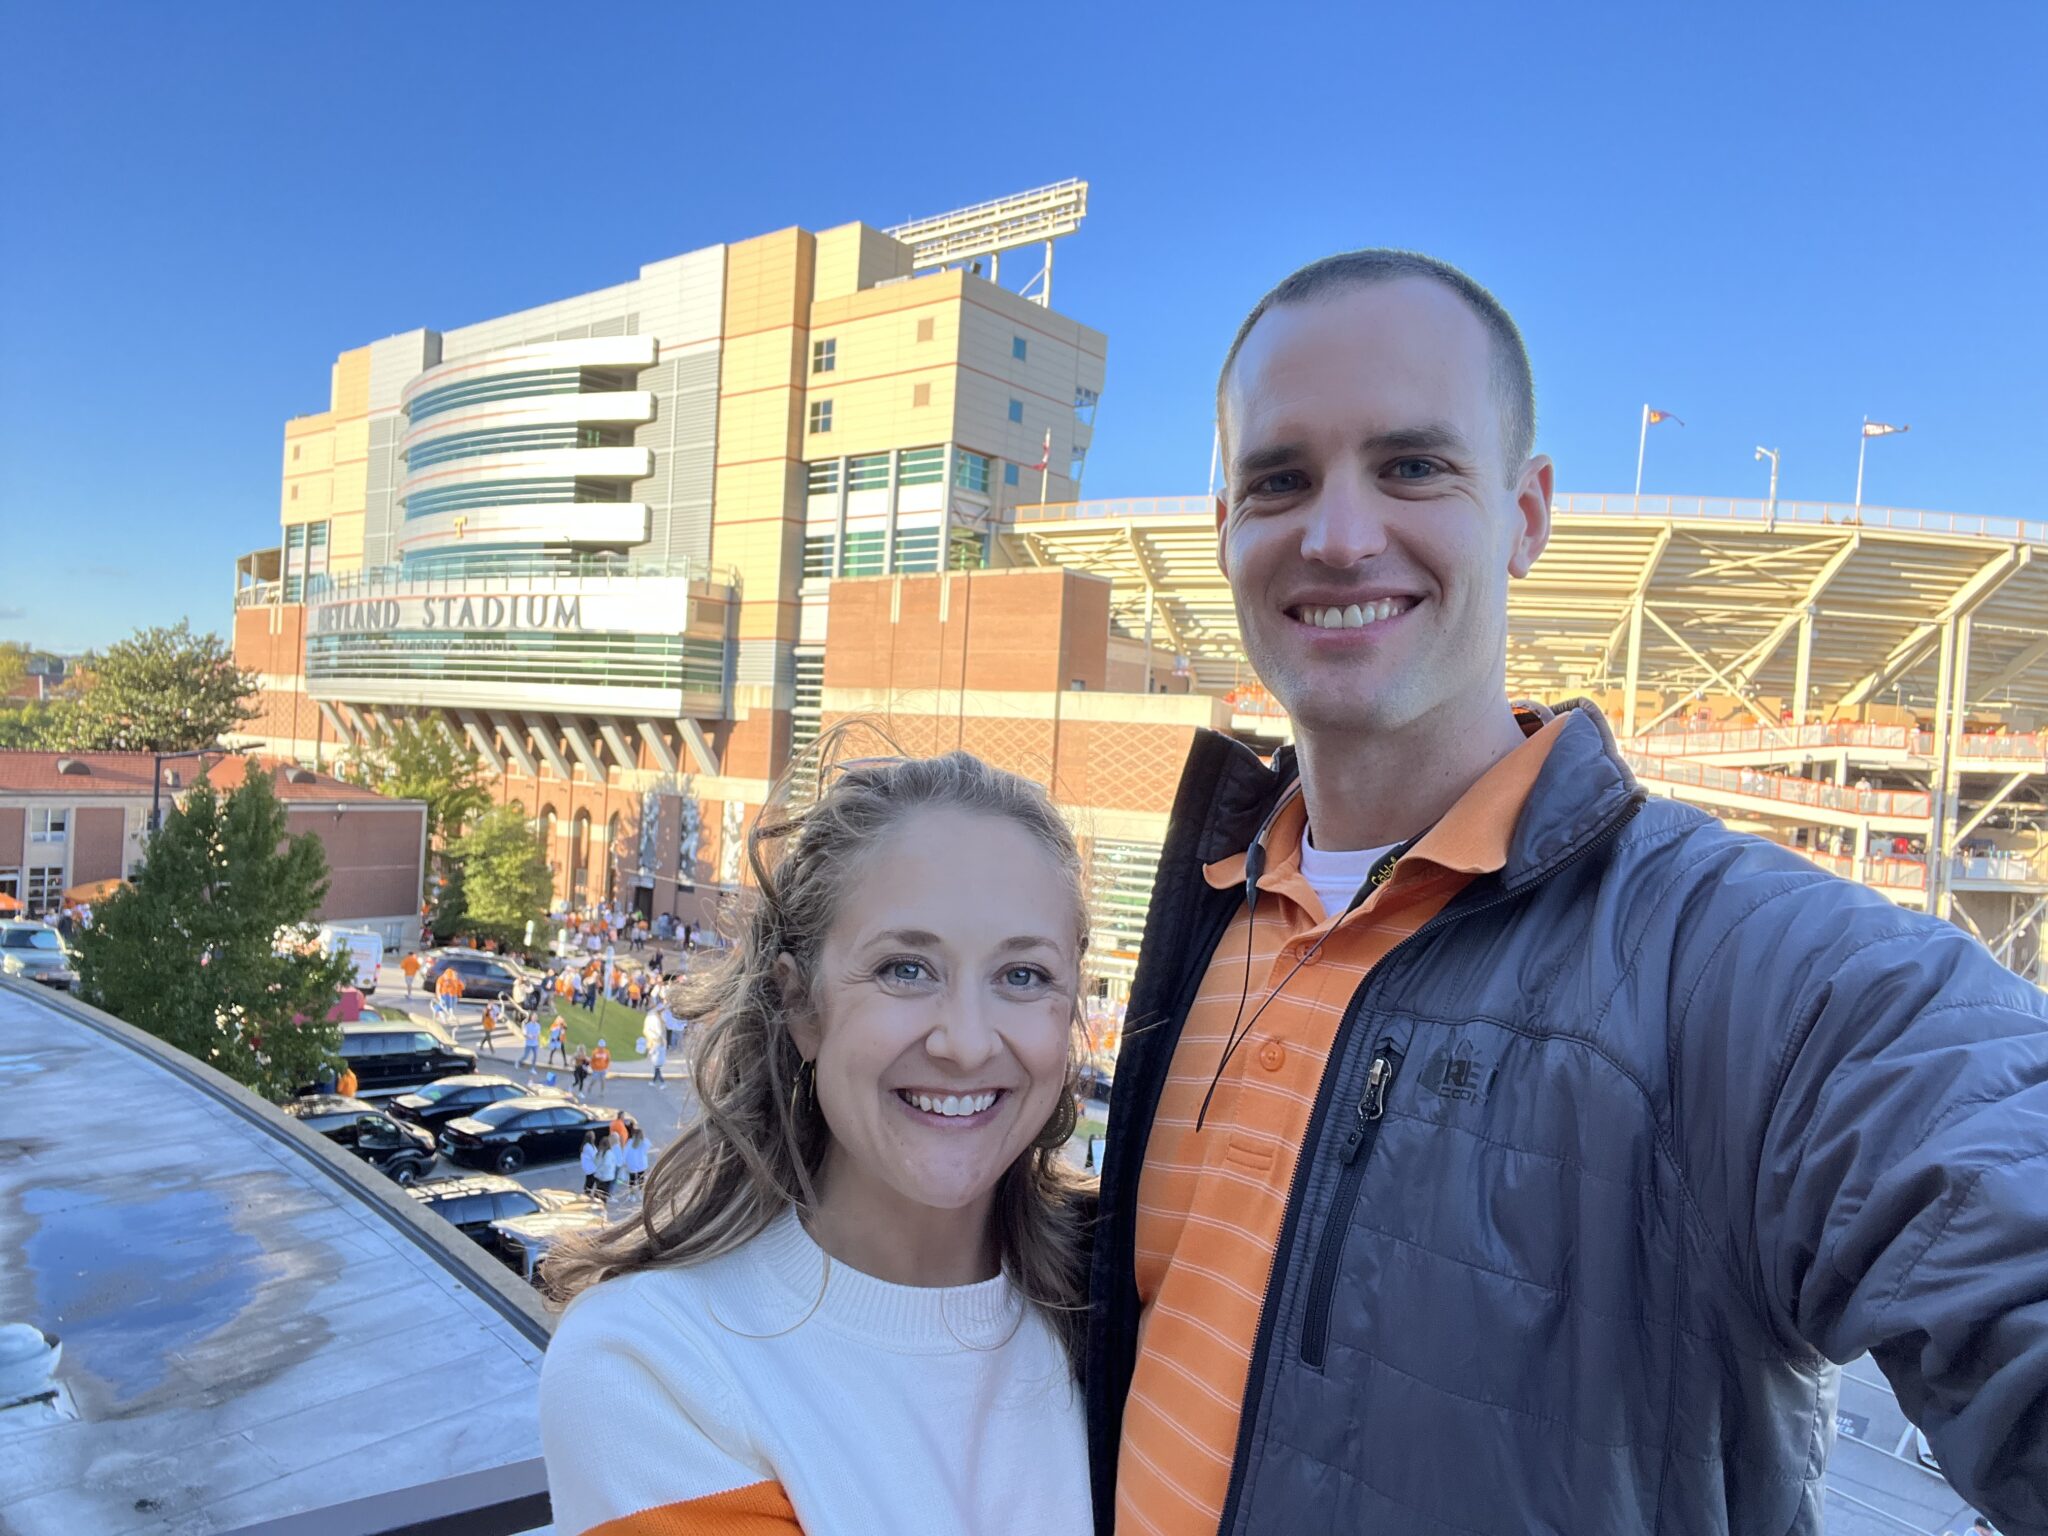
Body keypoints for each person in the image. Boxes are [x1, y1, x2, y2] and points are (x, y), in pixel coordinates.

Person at [1086, 250, 2048, 1535]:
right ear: (1224, 528)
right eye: (1279, 478)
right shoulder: (1208, 899)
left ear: (1528, 513)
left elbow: (1978, 1169)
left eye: (1413, 465)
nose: (1335, 533)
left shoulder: (1723, 960)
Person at [541, 750, 1093, 1535]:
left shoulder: (1129, 1318)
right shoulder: (652, 1364)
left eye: (1024, 976)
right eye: (906, 969)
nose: (967, 1043)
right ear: (801, 1005)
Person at [623, 1126, 649, 1191]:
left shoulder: (629, 1142)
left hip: (631, 1164)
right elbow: (646, 1150)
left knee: (632, 1179)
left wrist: (624, 1161)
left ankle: (632, 1194)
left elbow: (625, 1152)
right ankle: (641, 1191)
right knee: (641, 1179)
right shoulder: (645, 1142)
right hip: (641, 1164)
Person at [579, 1131, 600, 1198]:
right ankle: (591, 1196)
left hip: (591, 1168)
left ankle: (588, 1195)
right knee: (593, 1182)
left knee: (590, 1182)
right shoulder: (588, 1147)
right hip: (591, 1169)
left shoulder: (589, 1145)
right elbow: (594, 1157)